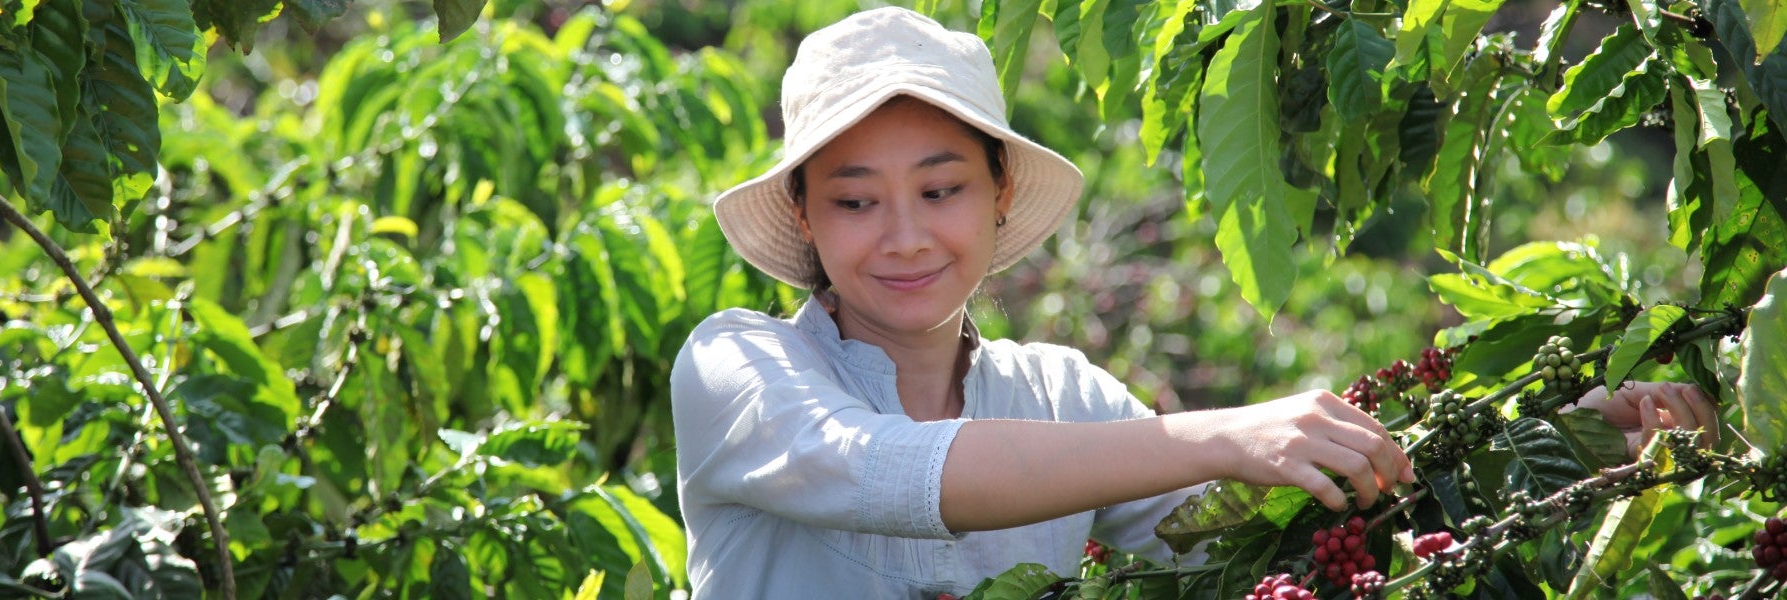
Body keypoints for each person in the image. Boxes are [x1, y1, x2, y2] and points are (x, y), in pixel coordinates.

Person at [668, 7, 1718, 597]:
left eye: (940, 191)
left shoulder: (1059, 394)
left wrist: (1570, 438)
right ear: (804, 217)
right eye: (855, 201)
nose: (903, 235)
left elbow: (1287, 537)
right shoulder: (738, 369)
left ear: (997, 197)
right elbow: (889, 471)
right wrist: (1219, 434)